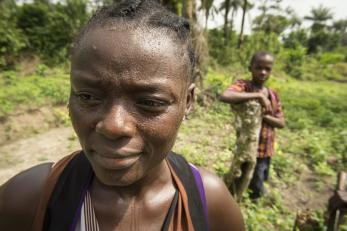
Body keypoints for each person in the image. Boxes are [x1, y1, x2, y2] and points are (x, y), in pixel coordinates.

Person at [0, 1, 245, 230]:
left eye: (150, 102)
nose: (113, 126)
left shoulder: (209, 203)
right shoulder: (28, 199)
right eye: (88, 97)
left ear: (187, 102)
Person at [220, 51, 285, 200]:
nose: (263, 72)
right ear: (250, 68)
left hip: (265, 149)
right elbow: (226, 96)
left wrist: (264, 116)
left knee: (258, 178)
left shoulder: (273, 95)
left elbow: (281, 122)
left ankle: (254, 199)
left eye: (267, 69)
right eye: (258, 67)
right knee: (240, 176)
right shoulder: (245, 86)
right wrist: (258, 96)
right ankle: (237, 200)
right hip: (247, 147)